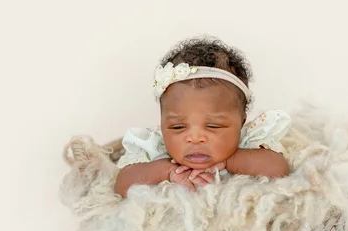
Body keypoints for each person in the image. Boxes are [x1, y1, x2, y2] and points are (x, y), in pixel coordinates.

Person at [114, 36, 291, 198]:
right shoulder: (156, 149)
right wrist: (166, 170)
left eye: (213, 126)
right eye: (177, 127)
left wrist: (230, 161)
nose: (195, 137)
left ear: (241, 121)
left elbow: (279, 168)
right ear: (162, 122)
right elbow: (122, 184)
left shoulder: (247, 145)